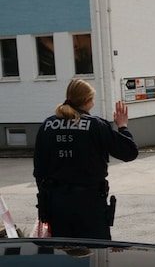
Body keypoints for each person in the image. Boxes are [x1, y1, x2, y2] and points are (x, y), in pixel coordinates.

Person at [33, 79, 139, 239]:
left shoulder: (47, 126)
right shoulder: (96, 126)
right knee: (96, 254)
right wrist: (123, 126)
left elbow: (39, 170)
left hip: (57, 205)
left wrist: (47, 199)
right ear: (88, 101)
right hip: (90, 206)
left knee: (63, 253)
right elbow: (129, 152)